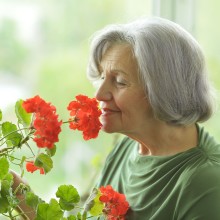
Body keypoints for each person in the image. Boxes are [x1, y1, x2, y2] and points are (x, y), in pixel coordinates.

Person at [86, 17, 220, 219]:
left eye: (120, 82)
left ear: (165, 91)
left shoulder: (207, 183)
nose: (100, 95)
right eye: (102, 78)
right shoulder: (124, 150)